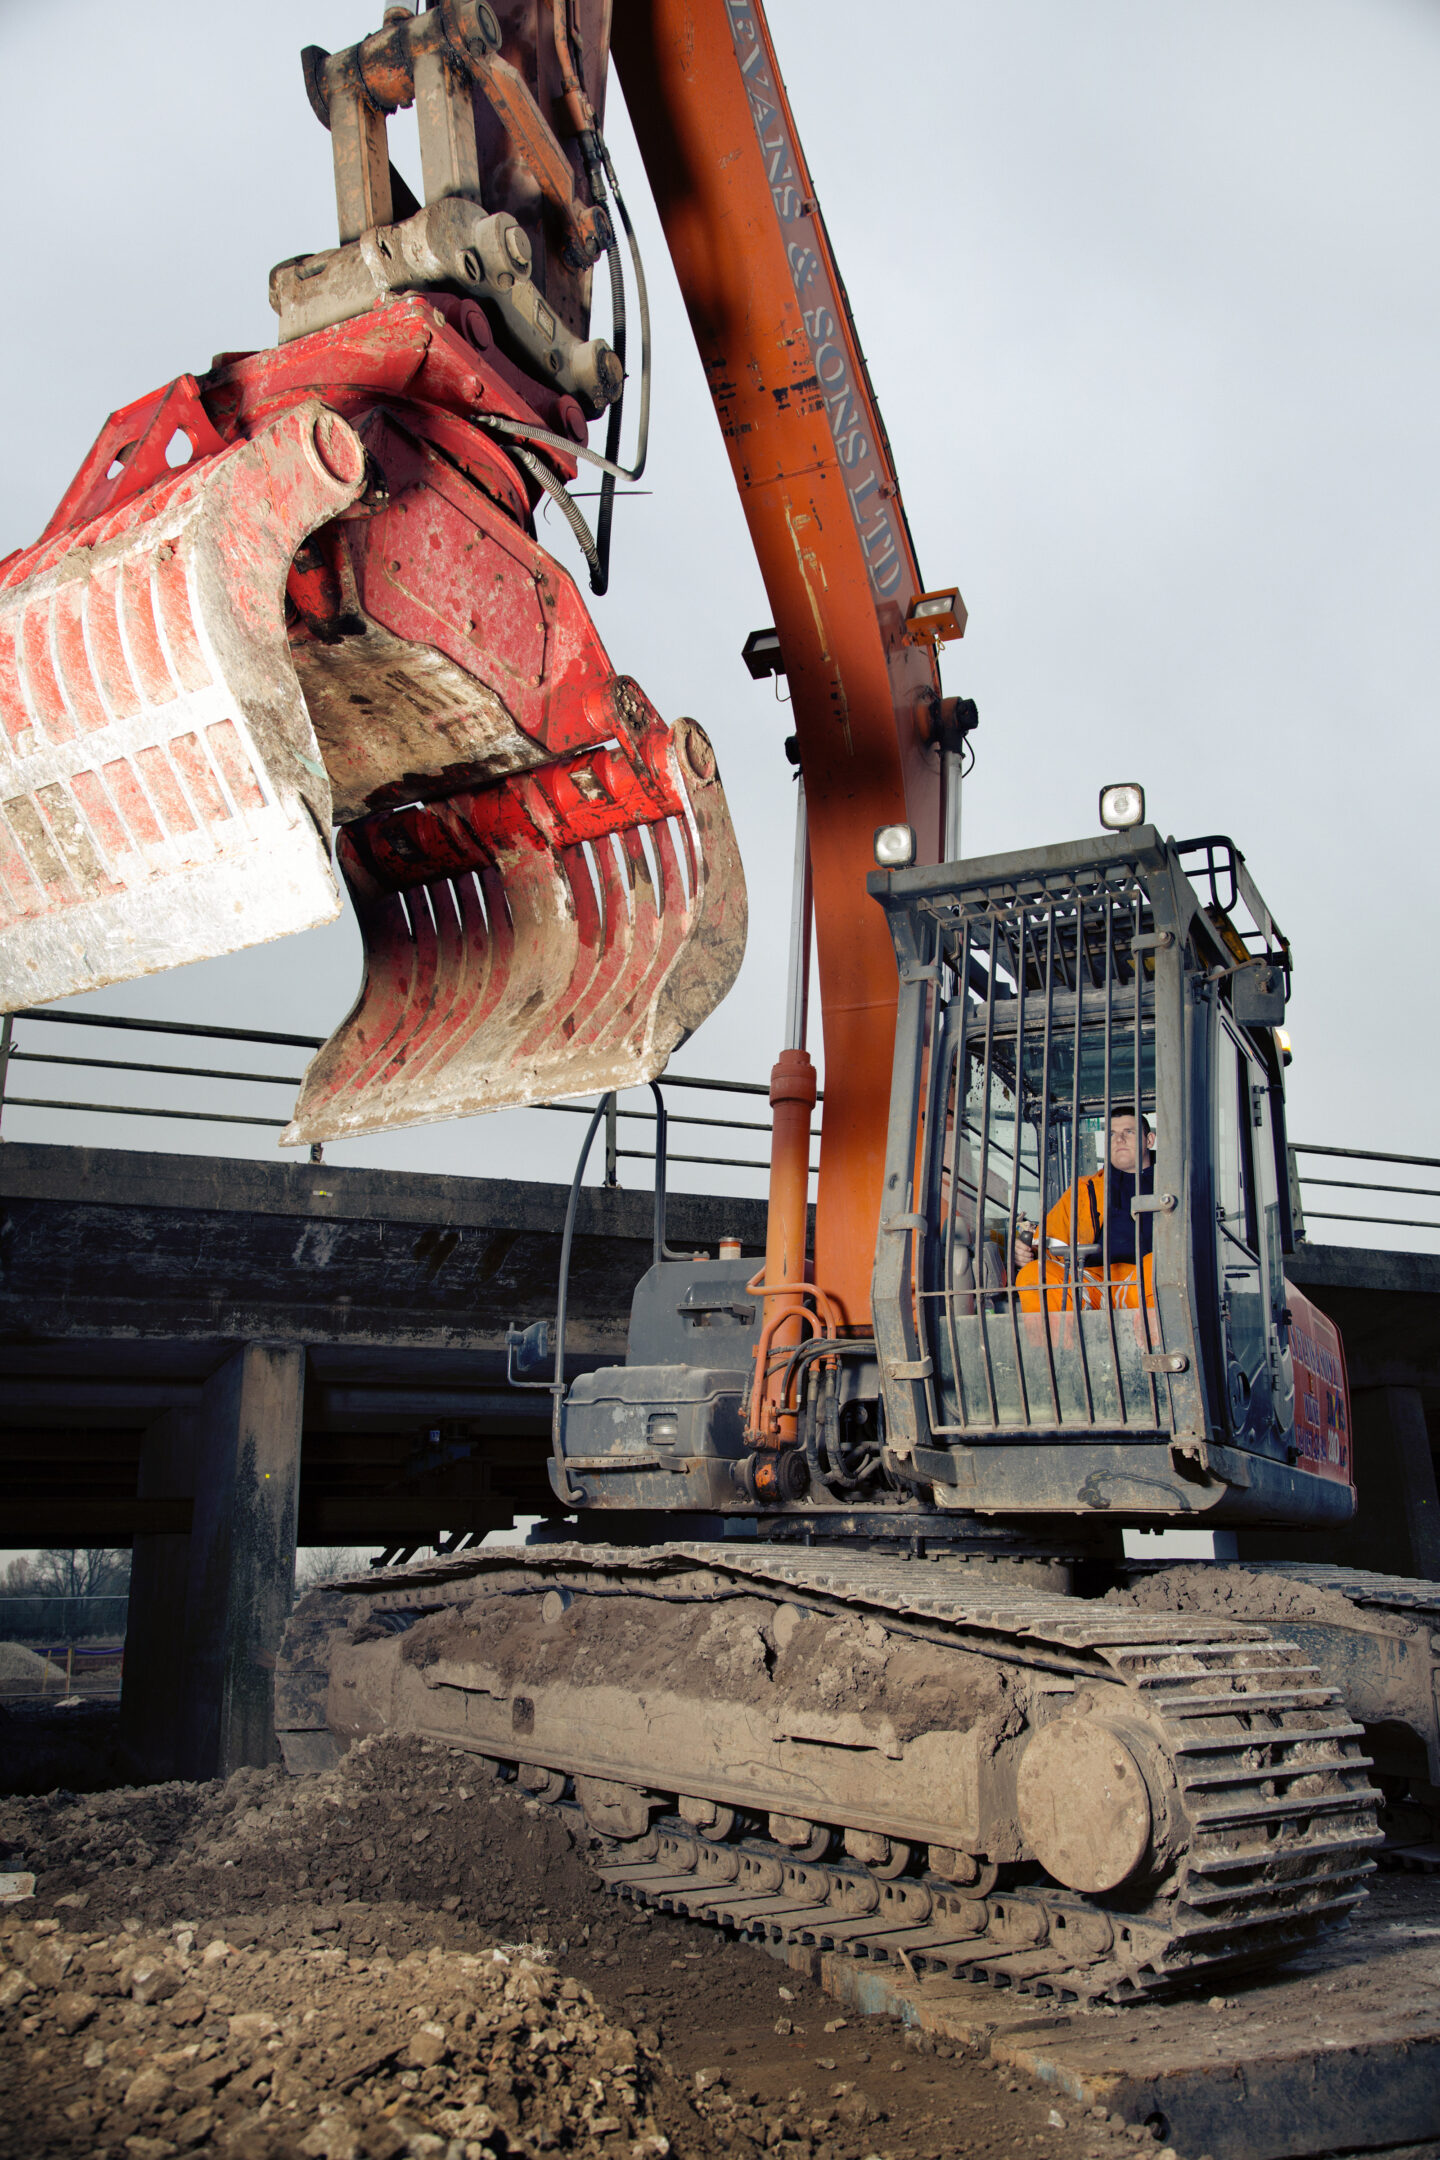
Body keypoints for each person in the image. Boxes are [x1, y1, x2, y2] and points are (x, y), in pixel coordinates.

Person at [1013, 1108, 1157, 1312]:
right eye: (1112, 1134)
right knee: (1033, 1275)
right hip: (1090, 1280)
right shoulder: (1083, 1190)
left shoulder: (1173, 1187)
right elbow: (1047, 1242)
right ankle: (1057, 1344)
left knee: (1159, 1265)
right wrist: (1026, 1252)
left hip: (1143, 1279)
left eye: (1129, 1132)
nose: (1119, 1139)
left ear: (1149, 1140)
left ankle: (1154, 1343)